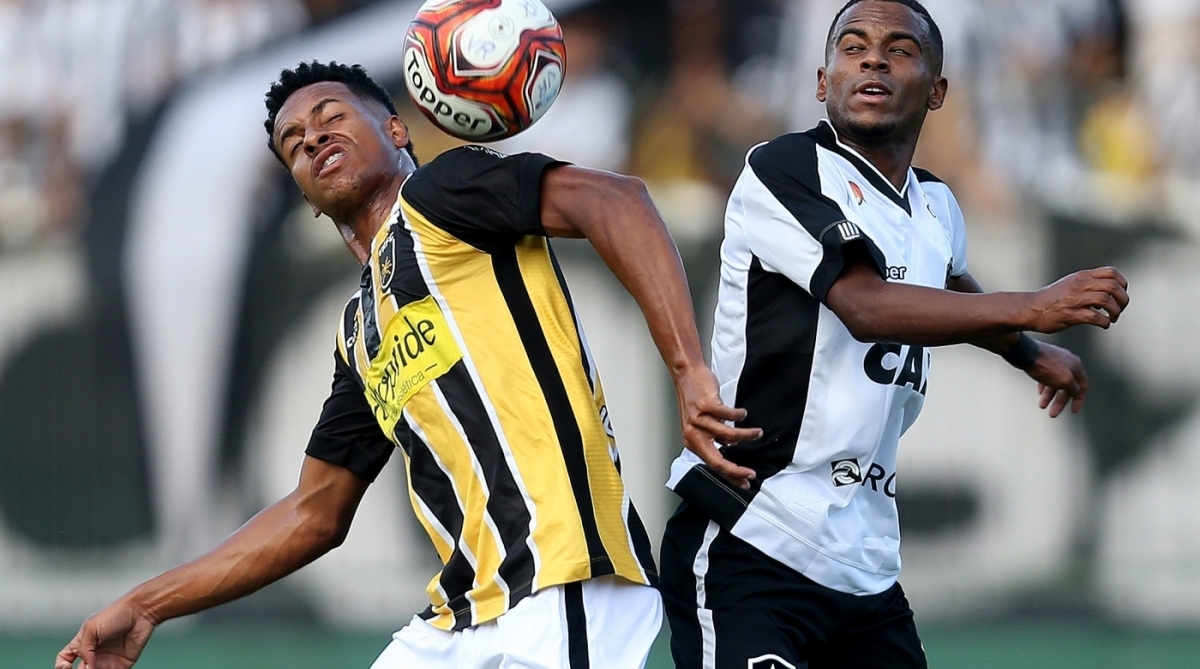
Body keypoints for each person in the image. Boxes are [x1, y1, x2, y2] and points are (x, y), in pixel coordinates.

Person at [55, 60, 760, 669]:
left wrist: (688, 369)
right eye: (293, 143)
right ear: (300, 191)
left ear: (397, 130)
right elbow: (313, 512)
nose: (313, 138)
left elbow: (618, 199)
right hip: (463, 614)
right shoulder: (359, 331)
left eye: (332, 117)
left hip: (561, 580)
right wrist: (146, 604)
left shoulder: (442, 198)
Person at [659, 1, 1130, 668]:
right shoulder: (784, 169)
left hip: (863, 567)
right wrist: (1032, 308)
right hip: (753, 537)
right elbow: (864, 305)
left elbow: (949, 282)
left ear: (937, 91)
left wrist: (1029, 354)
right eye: (852, 47)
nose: (873, 57)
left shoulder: (936, 204)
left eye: (900, 49)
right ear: (823, 82)